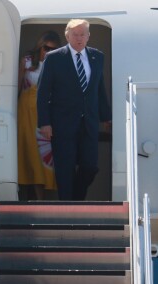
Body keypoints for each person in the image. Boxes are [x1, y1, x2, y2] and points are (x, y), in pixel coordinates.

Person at [37, 19, 112, 201]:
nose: (79, 38)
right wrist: (45, 123)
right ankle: (66, 209)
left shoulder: (97, 57)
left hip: (89, 123)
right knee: (65, 169)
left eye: (82, 34)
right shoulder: (54, 58)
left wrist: (106, 117)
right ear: (67, 36)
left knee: (89, 167)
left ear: (88, 36)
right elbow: (42, 92)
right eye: (75, 35)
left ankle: (76, 200)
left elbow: (98, 89)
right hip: (62, 123)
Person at [18, 30, 61, 201]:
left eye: (53, 49)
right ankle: (24, 196)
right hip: (25, 113)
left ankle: (40, 199)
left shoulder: (57, 64)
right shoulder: (27, 62)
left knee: (41, 155)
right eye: (46, 48)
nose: (48, 51)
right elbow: (18, 84)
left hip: (44, 114)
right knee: (25, 152)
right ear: (40, 46)